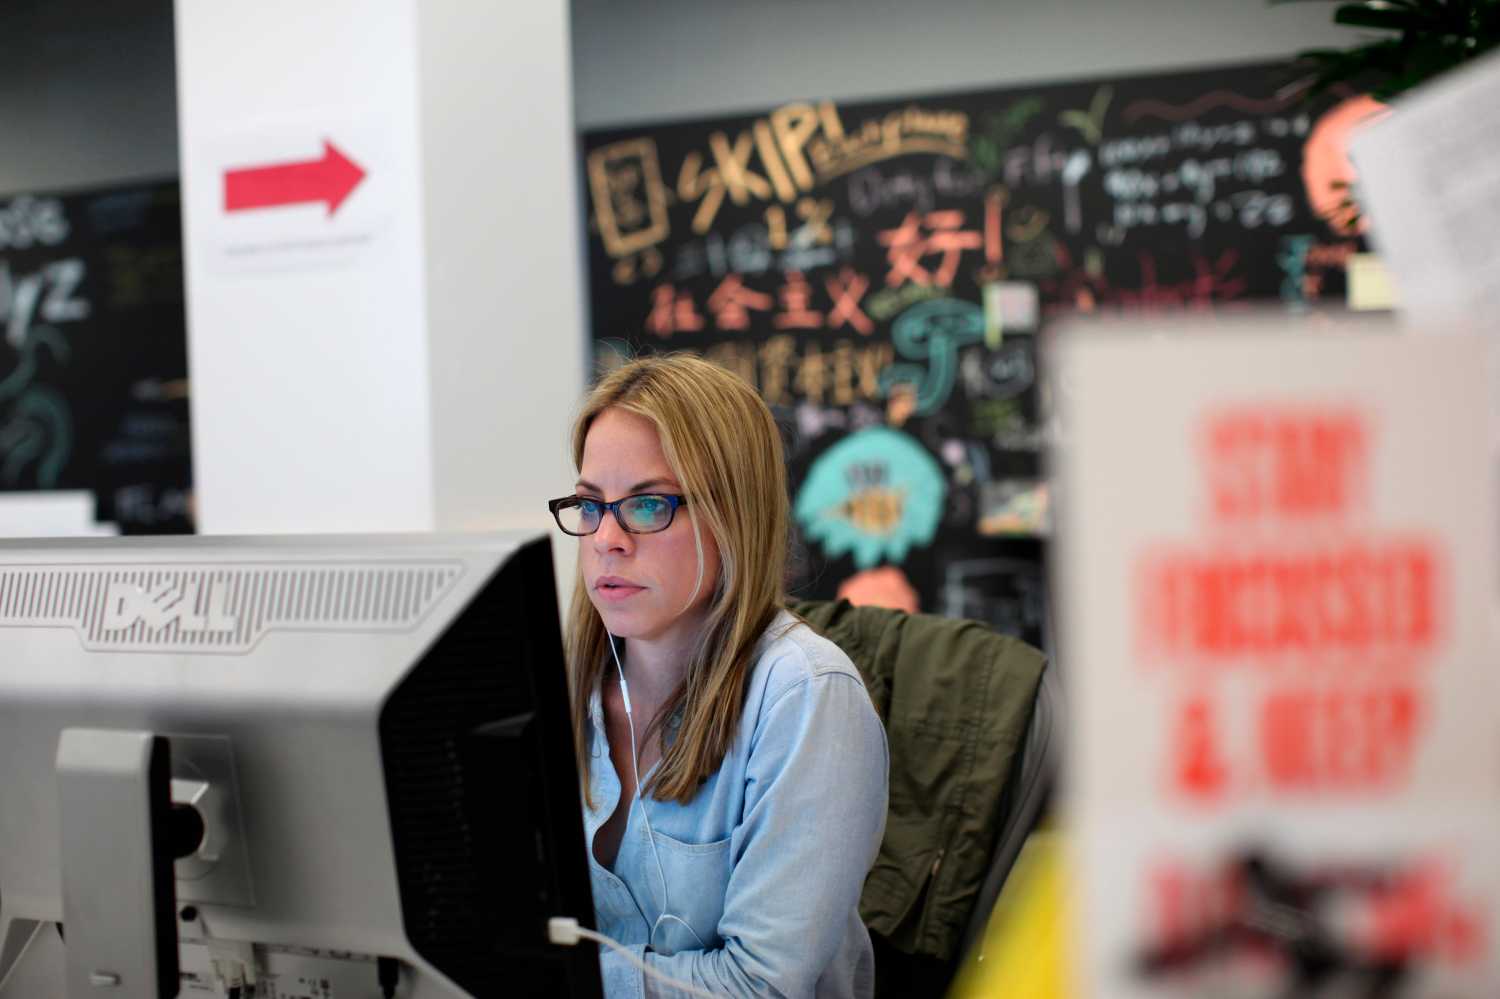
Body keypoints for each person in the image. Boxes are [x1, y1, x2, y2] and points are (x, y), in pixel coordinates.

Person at [548, 353, 889, 998]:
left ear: (732, 515)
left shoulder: (805, 694)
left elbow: (759, 986)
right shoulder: (561, 682)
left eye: (647, 506)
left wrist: (548, 980)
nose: (606, 540)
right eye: (590, 506)